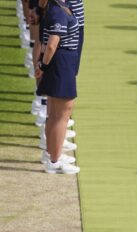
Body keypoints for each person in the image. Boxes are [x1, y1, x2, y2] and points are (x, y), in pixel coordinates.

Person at [35, 0, 80, 174]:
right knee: (61, 114)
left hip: (61, 62)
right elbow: (52, 44)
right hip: (61, 63)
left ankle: (52, 154)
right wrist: (43, 66)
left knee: (54, 114)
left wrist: (42, 64)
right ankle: (55, 159)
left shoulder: (57, 7)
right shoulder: (58, 11)